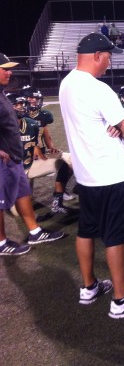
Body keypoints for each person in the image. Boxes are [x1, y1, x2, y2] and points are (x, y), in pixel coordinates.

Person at [59, 34, 124, 317]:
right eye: (108, 56)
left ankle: (89, 286)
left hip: (86, 175)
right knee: (115, 237)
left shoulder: (66, 83)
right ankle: (121, 300)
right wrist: (120, 125)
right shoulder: (99, 89)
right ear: (97, 56)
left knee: (87, 230)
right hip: (111, 175)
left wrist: (113, 124)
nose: (110, 61)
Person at [0, 54, 65, 256]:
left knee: (22, 193)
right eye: (5, 68)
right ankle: (1, 243)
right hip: (3, 159)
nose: (10, 72)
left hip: (14, 157)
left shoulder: (2, 92)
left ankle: (35, 231)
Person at [21, 85, 75, 215]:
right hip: (25, 159)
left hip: (42, 154)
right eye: (31, 98)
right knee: (21, 205)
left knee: (70, 160)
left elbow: (45, 133)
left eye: (36, 98)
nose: (34, 101)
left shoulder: (43, 115)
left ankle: (59, 197)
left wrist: (51, 148)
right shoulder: (17, 118)